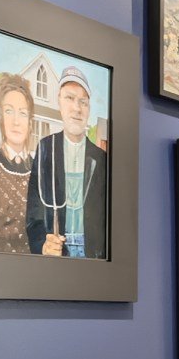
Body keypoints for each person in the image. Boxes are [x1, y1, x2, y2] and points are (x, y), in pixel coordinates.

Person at [27, 66, 109, 259]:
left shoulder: (101, 158)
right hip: (57, 255)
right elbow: (34, 212)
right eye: (70, 98)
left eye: (83, 102)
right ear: (59, 102)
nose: (77, 108)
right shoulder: (47, 148)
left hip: (91, 256)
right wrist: (43, 245)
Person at [0, 73, 35, 254]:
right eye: (9, 111)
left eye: (22, 113)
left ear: (30, 122)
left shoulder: (42, 172)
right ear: (0, 117)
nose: (16, 121)